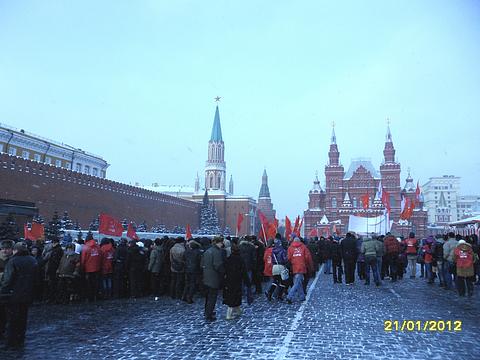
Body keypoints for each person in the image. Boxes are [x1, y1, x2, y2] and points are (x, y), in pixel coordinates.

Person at [0, 242, 37, 350]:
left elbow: (7, 280)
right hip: (27, 294)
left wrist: (3, 290)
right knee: (22, 318)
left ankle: (11, 342)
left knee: (12, 319)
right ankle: (20, 339)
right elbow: (36, 279)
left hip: (13, 294)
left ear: (15, 250)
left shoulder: (13, 261)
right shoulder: (32, 260)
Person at [201, 236, 225, 321]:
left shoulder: (208, 251)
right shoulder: (217, 252)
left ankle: (207, 311)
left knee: (208, 296)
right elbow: (217, 265)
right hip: (213, 277)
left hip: (206, 276)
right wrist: (224, 273)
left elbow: (202, 264)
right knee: (212, 297)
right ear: (220, 242)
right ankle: (209, 314)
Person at [223, 244, 249, 320]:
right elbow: (244, 271)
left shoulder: (228, 259)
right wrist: (247, 282)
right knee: (234, 296)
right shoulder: (240, 259)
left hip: (228, 280)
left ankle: (238, 311)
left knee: (233, 296)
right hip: (237, 280)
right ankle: (229, 315)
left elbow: (224, 270)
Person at [286, 237, 313, 304]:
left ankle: (302, 296)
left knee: (298, 281)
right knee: (297, 283)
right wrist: (310, 266)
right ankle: (289, 296)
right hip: (301, 266)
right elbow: (308, 258)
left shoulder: (290, 248)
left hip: (294, 266)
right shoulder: (304, 247)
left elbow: (288, 258)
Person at [80, 235, 102, 302]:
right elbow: (100, 256)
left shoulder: (86, 247)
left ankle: (90, 297)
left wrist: (82, 267)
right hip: (97, 268)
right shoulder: (98, 247)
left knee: (89, 284)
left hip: (88, 269)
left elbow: (83, 259)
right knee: (96, 283)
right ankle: (97, 296)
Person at [0, 240, 14, 341]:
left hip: (10, 291)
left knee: (9, 313)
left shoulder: (13, 260)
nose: (5, 250)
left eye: (7, 248)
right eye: (3, 248)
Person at [43, 238, 64, 303]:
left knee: (53, 284)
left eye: (53, 243)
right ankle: (52, 298)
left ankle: (53, 298)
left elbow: (57, 261)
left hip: (54, 269)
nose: (52, 244)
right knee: (52, 284)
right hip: (53, 268)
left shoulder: (57, 250)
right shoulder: (56, 249)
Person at [182, 239, 202, 304]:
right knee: (192, 284)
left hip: (187, 269)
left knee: (187, 283)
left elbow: (183, 259)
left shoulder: (186, 251)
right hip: (194, 270)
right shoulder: (198, 252)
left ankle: (184, 296)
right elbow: (199, 262)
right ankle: (189, 297)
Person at [238, 236, 256, 305]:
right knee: (248, 281)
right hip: (249, 266)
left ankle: (241, 293)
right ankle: (248, 294)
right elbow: (254, 258)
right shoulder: (252, 247)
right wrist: (254, 266)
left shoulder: (239, 246)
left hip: (241, 266)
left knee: (241, 280)